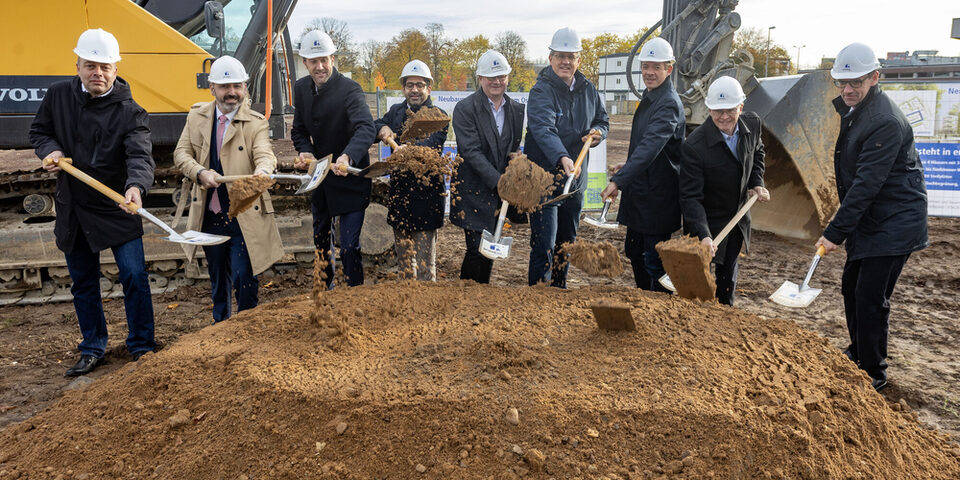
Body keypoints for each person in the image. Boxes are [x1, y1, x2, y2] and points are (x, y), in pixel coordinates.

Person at [29, 28, 156, 376]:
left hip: (117, 205)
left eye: (104, 67)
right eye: (90, 65)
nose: (97, 73)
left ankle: (142, 345)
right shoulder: (57, 97)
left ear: (116, 69)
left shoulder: (131, 111)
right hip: (75, 207)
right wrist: (50, 150)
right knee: (83, 282)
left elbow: (140, 157)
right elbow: (39, 131)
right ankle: (93, 346)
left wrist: (136, 188)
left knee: (133, 276)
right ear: (78, 66)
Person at [816, 42, 929, 392]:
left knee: (869, 296)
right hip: (873, 218)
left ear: (875, 77)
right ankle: (859, 352)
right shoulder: (859, 110)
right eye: (842, 83)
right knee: (851, 286)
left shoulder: (883, 121)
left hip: (895, 221)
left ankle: (874, 372)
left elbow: (866, 185)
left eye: (857, 82)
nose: (848, 90)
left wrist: (834, 232)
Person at [173, 56, 283, 322]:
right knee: (218, 276)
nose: (231, 92)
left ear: (245, 87)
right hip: (210, 214)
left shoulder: (256, 122)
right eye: (225, 86)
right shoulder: (197, 116)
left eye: (237, 86)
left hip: (242, 212)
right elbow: (181, 153)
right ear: (212, 88)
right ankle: (220, 326)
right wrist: (199, 172)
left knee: (245, 274)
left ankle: (247, 326)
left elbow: (265, 154)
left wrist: (263, 171)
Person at [525, 27, 609, 288]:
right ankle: (538, 295)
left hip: (575, 181)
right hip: (546, 179)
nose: (566, 62)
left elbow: (602, 120)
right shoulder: (541, 91)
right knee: (545, 243)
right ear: (550, 58)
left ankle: (558, 291)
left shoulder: (588, 89)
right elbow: (542, 128)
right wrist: (562, 156)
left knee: (567, 241)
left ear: (578, 60)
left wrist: (598, 133)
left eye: (571, 56)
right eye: (560, 56)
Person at [291, 30, 376, 288]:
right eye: (313, 61)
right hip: (321, 177)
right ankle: (325, 293)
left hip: (349, 174)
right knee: (320, 240)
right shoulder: (301, 88)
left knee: (349, 245)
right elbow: (298, 130)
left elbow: (366, 128)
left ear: (333, 59)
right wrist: (305, 151)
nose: (320, 67)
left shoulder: (350, 89)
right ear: (304, 62)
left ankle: (354, 295)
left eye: (324, 60)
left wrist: (348, 155)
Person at [600, 37, 685, 292]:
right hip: (642, 190)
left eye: (656, 67)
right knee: (635, 251)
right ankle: (644, 298)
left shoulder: (668, 102)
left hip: (658, 196)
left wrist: (618, 181)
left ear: (668, 69)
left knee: (655, 261)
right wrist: (626, 167)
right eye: (646, 66)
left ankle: (658, 309)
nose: (649, 72)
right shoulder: (652, 98)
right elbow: (647, 146)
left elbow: (650, 148)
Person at [679, 76, 770, 306]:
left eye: (730, 110)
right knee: (698, 294)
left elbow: (757, 151)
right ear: (709, 109)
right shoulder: (694, 146)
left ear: (741, 106)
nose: (724, 117)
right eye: (717, 111)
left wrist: (756, 181)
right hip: (706, 222)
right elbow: (691, 197)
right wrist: (704, 234)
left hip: (736, 220)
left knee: (726, 283)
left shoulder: (753, 124)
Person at [451, 50, 526, 283]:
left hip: (499, 196)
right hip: (473, 190)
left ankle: (481, 294)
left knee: (490, 248)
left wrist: (516, 160)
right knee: (475, 248)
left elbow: (513, 145)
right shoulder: (465, 109)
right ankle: (465, 293)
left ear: (507, 77)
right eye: (490, 77)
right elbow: (471, 152)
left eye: (501, 76)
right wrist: (500, 182)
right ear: (480, 78)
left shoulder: (516, 110)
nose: (497, 81)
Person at [374, 60, 448, 281]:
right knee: (405, 264)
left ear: (428, 88)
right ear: (404, 88)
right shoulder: (395, 112)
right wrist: (382, 127)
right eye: (409, 85)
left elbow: (432, 144)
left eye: (419, 85)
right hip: (401, 196)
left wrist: (408, 150)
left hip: (427, 197)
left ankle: (427, 310)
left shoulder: (438, 115)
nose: (414, 89)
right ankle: (407, 306)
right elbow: (375, 125)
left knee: (426, 265)